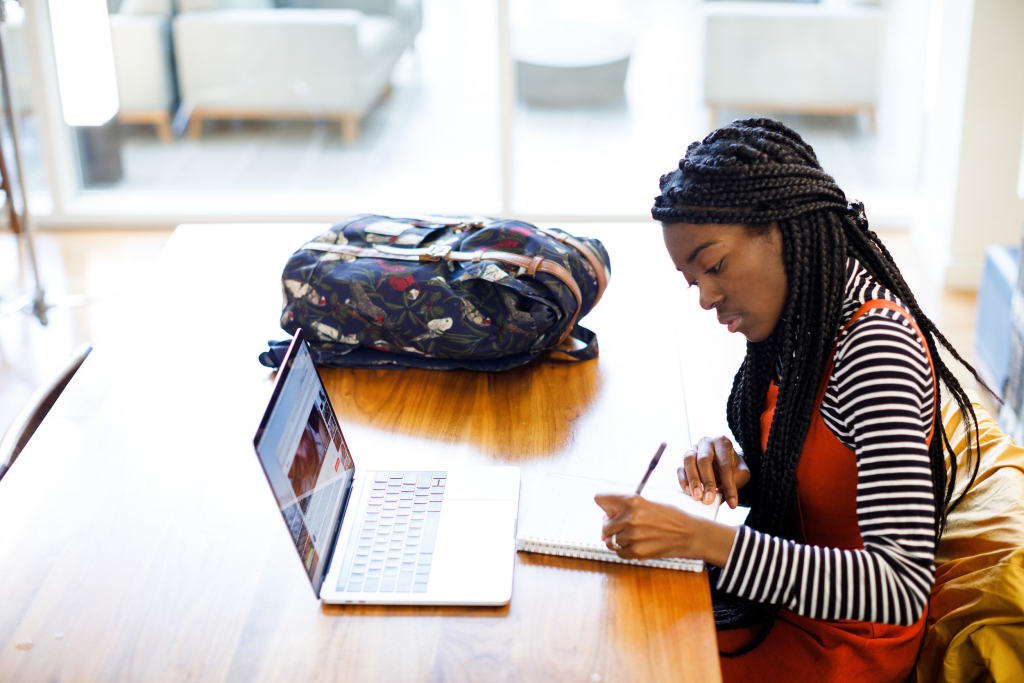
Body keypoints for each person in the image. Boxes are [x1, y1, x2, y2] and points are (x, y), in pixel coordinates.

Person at [594, 118, 984, 680]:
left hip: (842, 644)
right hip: (783, 607)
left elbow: (898, 586)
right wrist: (745, 465)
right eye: (690, 279)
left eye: (716, 265)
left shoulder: (875, 345)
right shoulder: (803, 313)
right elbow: (822, 451)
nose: (705, 297)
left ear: (780, 230)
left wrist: (703, 538)